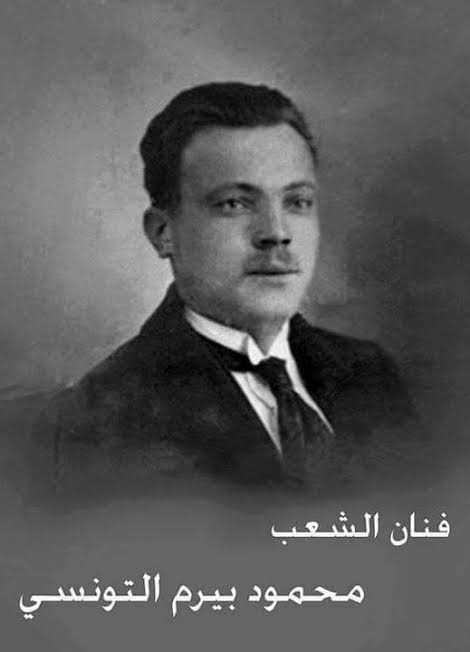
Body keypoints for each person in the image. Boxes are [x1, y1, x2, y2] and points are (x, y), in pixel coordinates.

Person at [29, 82, 424, 507]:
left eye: (298, 201)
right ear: (163, 232)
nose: (277, 233)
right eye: (235, 203)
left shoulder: (369, 373)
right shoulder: (102, 419)